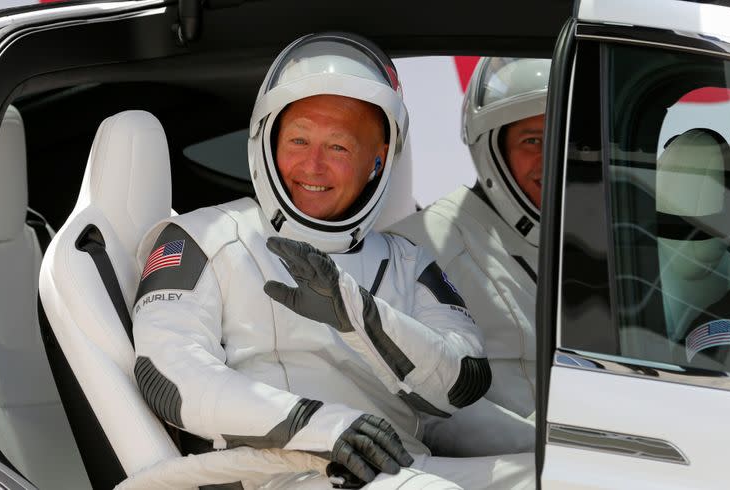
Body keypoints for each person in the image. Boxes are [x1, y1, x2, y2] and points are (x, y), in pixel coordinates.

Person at [132, 34, 533, 489]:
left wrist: (360, 316)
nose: (314, 166)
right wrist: (319, 425)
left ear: (377, 162)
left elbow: (463, 380)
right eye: (299, 140)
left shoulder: (406, 259)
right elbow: (169, 373)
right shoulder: (205, 237)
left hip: (399, 468)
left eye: (339, 147)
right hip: (275, 473)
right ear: (267, 138)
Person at [389, 57, 550, 456]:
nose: (552, 157)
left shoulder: (591, 239)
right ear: (492, 148)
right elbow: (419, 408)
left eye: (564, 139)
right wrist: (553, 455)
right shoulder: (420, 246)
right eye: (532, 140)